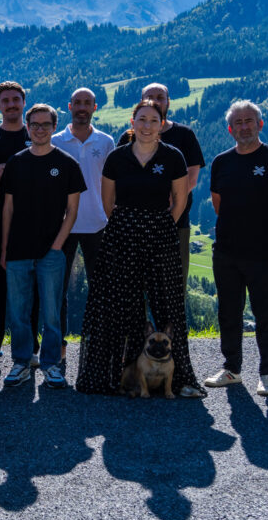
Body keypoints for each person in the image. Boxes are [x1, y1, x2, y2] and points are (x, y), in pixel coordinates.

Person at [77, 99, 205, 398]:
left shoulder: (173, 156)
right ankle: (117, 377)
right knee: (119, 306)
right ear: (132, 123)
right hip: (122, 236)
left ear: (162, 124)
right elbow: (108, 203)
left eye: (153, 120)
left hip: (161, 235)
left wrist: (159, 225)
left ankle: (178, 379)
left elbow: (180, 199)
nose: (147, 126)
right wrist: (131, 224)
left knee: (168, 303)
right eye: (142, 119)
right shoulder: (117, 157)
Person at [0, 104, 85, 389]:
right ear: (27, 126)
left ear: (53, 127)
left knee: (51, 312)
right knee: (19, 312)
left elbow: (72, 211)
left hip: (52, 251)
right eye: (34, 124)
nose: (39, 129)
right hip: (17, 250)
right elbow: (8, 208)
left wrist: (57, 246)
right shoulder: (16, 163)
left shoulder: (67, 164)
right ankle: (22, 362)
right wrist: (4, 249)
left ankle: (51, 365)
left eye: (45, 125)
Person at [203, 101, 268, 395]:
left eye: (249, 121)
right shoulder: (222, 162)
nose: (244, 127)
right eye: (238, 123)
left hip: (263, 250)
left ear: (260, 124)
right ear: (230, 129)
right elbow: (218, 203)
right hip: (226, 250)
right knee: (228, 312)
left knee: (266, 314)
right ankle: (232, 369)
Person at [117, 83, 205, 284]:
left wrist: (165, 203)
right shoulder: (128, 137)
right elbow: (117, 179)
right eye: (150, 97)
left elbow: (191, 178)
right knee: (133, 290)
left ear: (168, 102)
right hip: (133, 226)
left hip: (175, 224)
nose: (155, 101)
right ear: (141, 102)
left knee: (172, 288)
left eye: (160, 97)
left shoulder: (184, 135)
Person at [51, 87, 114, 351]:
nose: (82, 107)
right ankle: (59, 344)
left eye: (87, 103)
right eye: (77, 102)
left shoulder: (106, 142)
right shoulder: (55, 140)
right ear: (69, 107)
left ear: (95, 108)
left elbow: (112, 184)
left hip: (98, 224)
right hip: (62, 225)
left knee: (100, 289)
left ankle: (97, 341)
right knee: (57, 290)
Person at [0, 81, 39, 367]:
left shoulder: (36, 134)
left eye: (16, 99)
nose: (11, 104)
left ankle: (30, 349)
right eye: (5, 100)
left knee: (31, 288)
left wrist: (6, 169)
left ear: (24, 102)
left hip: (33, 222)